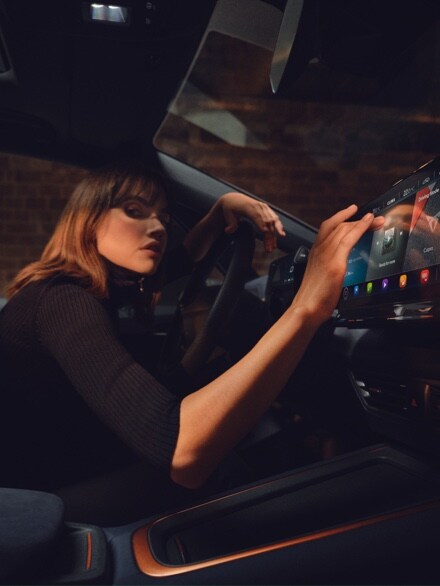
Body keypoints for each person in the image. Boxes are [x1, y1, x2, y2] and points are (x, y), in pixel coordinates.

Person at [0, 163, 383, 523]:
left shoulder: (98, 289)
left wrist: (220, 210)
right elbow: (184, 452)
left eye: (163, 218)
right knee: (225, 471)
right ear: (87, 221)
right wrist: (306, 306)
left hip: (68, 465)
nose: (158, 228)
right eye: (135, 211)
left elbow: (180, 260)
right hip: (36, 506)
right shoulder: (63, 299)